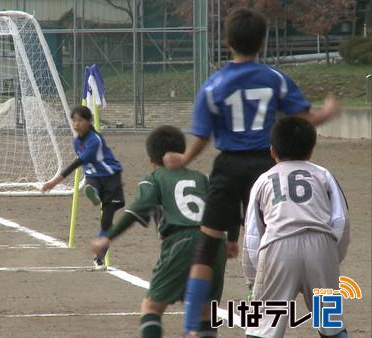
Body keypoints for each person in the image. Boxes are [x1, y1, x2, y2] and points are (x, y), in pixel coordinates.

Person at [161, 8, 340, 337]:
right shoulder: (274, 78)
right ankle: (269, 305)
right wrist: (327, 112)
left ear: (227, 42)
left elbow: (202, 136)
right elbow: (305, 117)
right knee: (266, 236)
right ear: (262, 41)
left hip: (228, 165)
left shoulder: (213, 85)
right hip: (266, 167)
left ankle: (191, 327)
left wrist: (184, 159)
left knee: (207, 244)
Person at [92, 125, 226, 338]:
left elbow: (136, 211)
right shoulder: (202, 177)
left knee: (151, 308)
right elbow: (224, 207)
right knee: (205, 312)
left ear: (152, 160)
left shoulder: (154, 178)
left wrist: (107, 237)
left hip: (181, 241)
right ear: (182, 153)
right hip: (216, 243)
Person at [243, 116, 349, 338]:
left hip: (278, 246)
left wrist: (254, 276)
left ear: (272, 151)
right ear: (311, 150)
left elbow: (253, 234)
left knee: (263, 325)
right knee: (330, 322)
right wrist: (332, 256)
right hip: (321, 245)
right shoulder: (323, 174)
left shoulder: (263, 180)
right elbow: (340, 221)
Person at [42, 105, 124, 269]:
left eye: (80, 120)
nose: (76, 124)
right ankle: (93, 192)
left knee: (106, 222)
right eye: (74, 120)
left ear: (89, 121)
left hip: (110, 177)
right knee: (91, 185)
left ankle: (99, 257)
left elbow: (78, 162)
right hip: (94, 177)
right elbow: (82, 164)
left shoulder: (95, 140)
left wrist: (54, 182)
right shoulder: (76, 142)